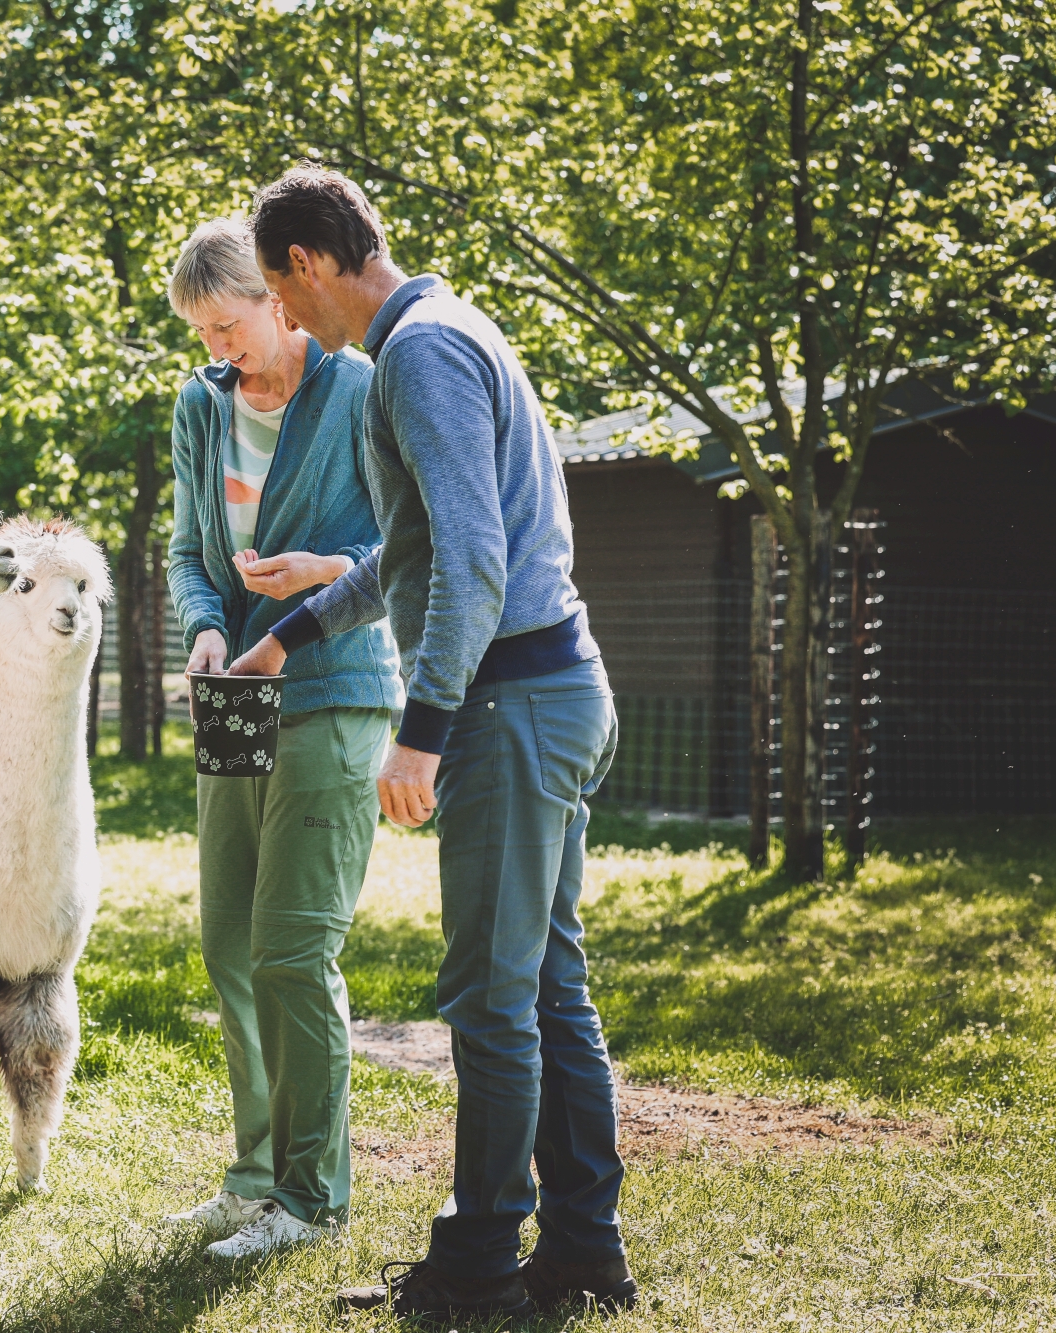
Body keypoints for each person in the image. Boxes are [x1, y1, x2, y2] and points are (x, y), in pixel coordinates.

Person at [229, 167, 636, 1319]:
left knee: (490, 997)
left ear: (305, 264)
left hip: (509, 705)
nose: (283, 316)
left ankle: (474, 1268)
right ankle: (579, 1251)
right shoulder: (446, 331)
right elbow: (409, 555)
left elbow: (471, 565)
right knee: (546, 985)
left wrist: (422, 732)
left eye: (274, 288)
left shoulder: (415, 354)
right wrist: (293, 633)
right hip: (543, 689)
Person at [159, 217, 400, 1260]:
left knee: (293, 952)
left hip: (331, 687)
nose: (217, 349)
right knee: (230, 947)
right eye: (199, 333)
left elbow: (405, 541)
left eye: (228, 324)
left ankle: (311, 1197)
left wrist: (319, 572)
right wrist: (207, 627)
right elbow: (186, 554)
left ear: (274, 296)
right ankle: (254, 1176)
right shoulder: (199, 406)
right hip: (234, 699)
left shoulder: (356, 389)